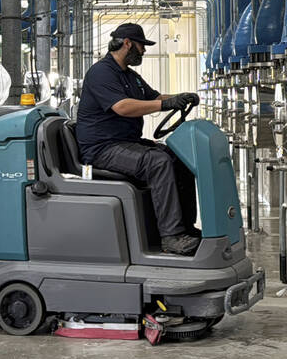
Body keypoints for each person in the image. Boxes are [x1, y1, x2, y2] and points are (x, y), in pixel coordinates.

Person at [75, 23, 202, 256]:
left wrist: (180, 98)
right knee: (157, 162)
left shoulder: (131, 77)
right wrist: (166, 104)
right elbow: (122, 107)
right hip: (102, 149)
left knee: (178, 157)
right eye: (142, 46)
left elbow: (154, 98)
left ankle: (185, 228)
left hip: (125, 143)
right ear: (127, 43)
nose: (144, 51)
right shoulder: (101, 72)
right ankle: (171, 237)